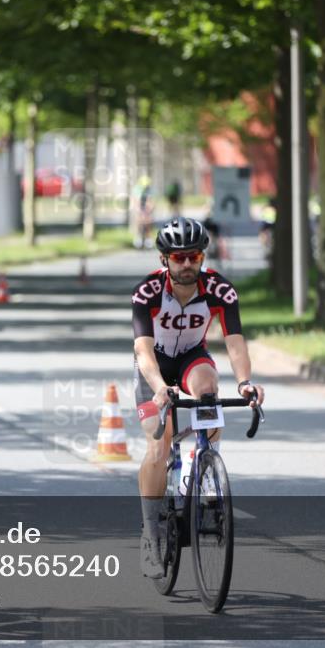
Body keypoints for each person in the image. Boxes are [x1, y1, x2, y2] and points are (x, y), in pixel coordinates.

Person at [131, 216, 265, 579]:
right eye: (179, 258)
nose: (188, 264)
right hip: (154, 369)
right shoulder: (147, 293)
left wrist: (245, 383)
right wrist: (160, 387)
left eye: (194, 256)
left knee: (208, 388)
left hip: (192, 359)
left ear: (203, 257)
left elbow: (234, 342)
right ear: (164, 261)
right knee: (158, 446)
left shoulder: (220, 290)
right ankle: (151, 531)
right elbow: (143, 351)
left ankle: (204, 468)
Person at [132, 175, 155, 249]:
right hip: (139, 206)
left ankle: (148, 239)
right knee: (139, 221)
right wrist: (138, 211)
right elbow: (136, 201)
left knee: (148, 221)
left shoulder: (149, 189)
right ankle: (138, 238)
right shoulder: (137, 189)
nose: (145, 187)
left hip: (147, 206)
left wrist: (150, 209)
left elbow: (151, 200)